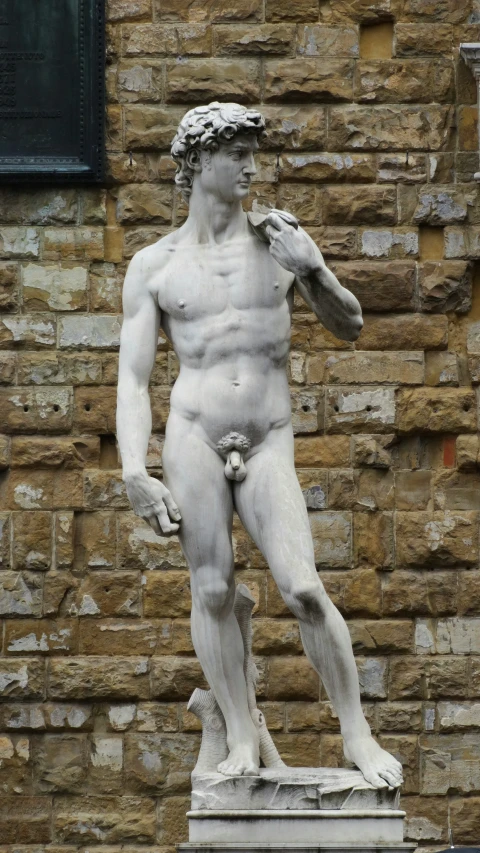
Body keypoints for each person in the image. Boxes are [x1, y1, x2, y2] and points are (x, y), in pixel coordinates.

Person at [116, 102, 403, 788]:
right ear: (196, 165)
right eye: (236, 152)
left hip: (268, 437)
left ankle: (356, 735)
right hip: (194, 435)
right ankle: (241, 734)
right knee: (213, 588)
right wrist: (134, 469)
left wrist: (313, 271)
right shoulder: (154, 265)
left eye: (254, 151)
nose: (251, 165)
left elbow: (351, 325)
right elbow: (131, 378)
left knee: (302, 586)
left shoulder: (281, 242)